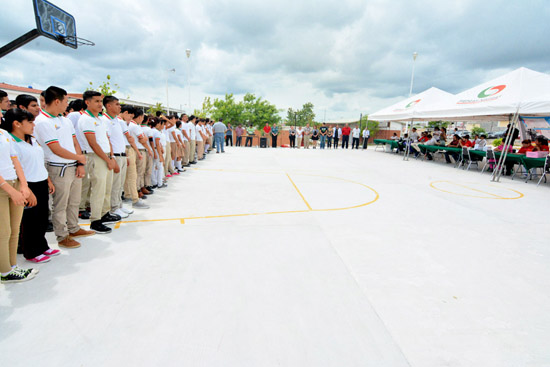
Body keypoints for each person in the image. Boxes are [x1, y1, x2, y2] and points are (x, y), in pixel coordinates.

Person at [33, 86, 92, 249]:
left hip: (73, 166)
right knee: (60, 204)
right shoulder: (42, 122)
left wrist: (79, 163)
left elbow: (75, 142)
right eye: (66, 101)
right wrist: (79, 157)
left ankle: (73, 228)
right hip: (58, 168)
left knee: (74, 201)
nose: (68, 104)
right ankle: (62, 235)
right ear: (57, 101)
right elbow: (55, 149)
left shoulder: (64, 120)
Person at [3, 108, 60, 265]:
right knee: (29, 221)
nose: (33, 125)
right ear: (17, 124)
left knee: (42, 218)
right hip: (27, 185)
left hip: (41, 181)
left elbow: (38, 162)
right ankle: (31, 251)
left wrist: (48, 180)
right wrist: (25, 189)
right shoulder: (12, 142)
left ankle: (42, 246)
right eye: (30, 122)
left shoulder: (32, 140)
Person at [0, 112, 37, 283]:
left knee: (14, 230)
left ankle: (12, 266)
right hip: (3, 187)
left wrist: (23, 185)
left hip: (14, 183)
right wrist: (9, 189)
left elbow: (15, 160)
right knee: (3, 231)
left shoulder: (4, 134)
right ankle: (4, 271)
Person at [78, 90, 119, 234]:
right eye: (96, 101)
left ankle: (104, 213)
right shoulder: (86, 119)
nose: (100, 104)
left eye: (100, 101)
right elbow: (93, 144)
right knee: (98, 189)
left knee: (106, 187)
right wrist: (107, 159)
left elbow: (105, 140)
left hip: (105, 155)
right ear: (87, 102)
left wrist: (111, 157)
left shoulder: (99, 119)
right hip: (96, 156)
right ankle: (95, 220)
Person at [102, 96, 130, 219]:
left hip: (122, 155)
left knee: (120, 184)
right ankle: (113, 208)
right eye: (117, 104)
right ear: (109, 106)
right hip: (115, 156)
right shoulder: (105, 120)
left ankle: (119, 205)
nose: (120, 107)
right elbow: (108, 140)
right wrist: (112, 157)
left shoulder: (117, 121)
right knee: (114, 184)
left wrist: (126, 155)